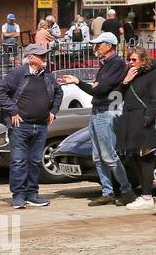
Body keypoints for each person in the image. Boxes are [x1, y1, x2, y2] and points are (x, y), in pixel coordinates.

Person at [57, 33, 134, 206]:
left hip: (106, 111)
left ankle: (126, 190)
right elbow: (97, 87)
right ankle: (107, 192)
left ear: (109, 45)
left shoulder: (116, 64)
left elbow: (99, 89)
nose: (96, 48)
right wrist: (94, 86)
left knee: (109, 155)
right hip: (97, 112)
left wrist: (78, 82)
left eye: (99, 44)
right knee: (98, 156)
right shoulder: (106, 64)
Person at [0, 44, 63, 209]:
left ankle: (32, 194)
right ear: (31, 58)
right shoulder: (18, 73)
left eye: (45, 55)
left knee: (35, 161)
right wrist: (13, 111)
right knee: (18, 161)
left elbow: (59, 92)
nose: (45, 58)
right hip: (20, 126)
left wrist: (53, 110)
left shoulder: (48, 75)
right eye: (41, 56)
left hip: (40, 126)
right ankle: (18, 196)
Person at [117, 47, 156, 210]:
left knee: (145, 158)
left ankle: (147, 196)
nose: (130, 62)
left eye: (134, 59)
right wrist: (125, 80)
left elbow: (154, 100)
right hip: (128, 121)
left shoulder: (153, 75)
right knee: (133, 157)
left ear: (143, 60)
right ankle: (144, 192)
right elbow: (115, 96)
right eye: (129, 59)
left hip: (142, 122)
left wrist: (146, 120)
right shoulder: (129, 74)